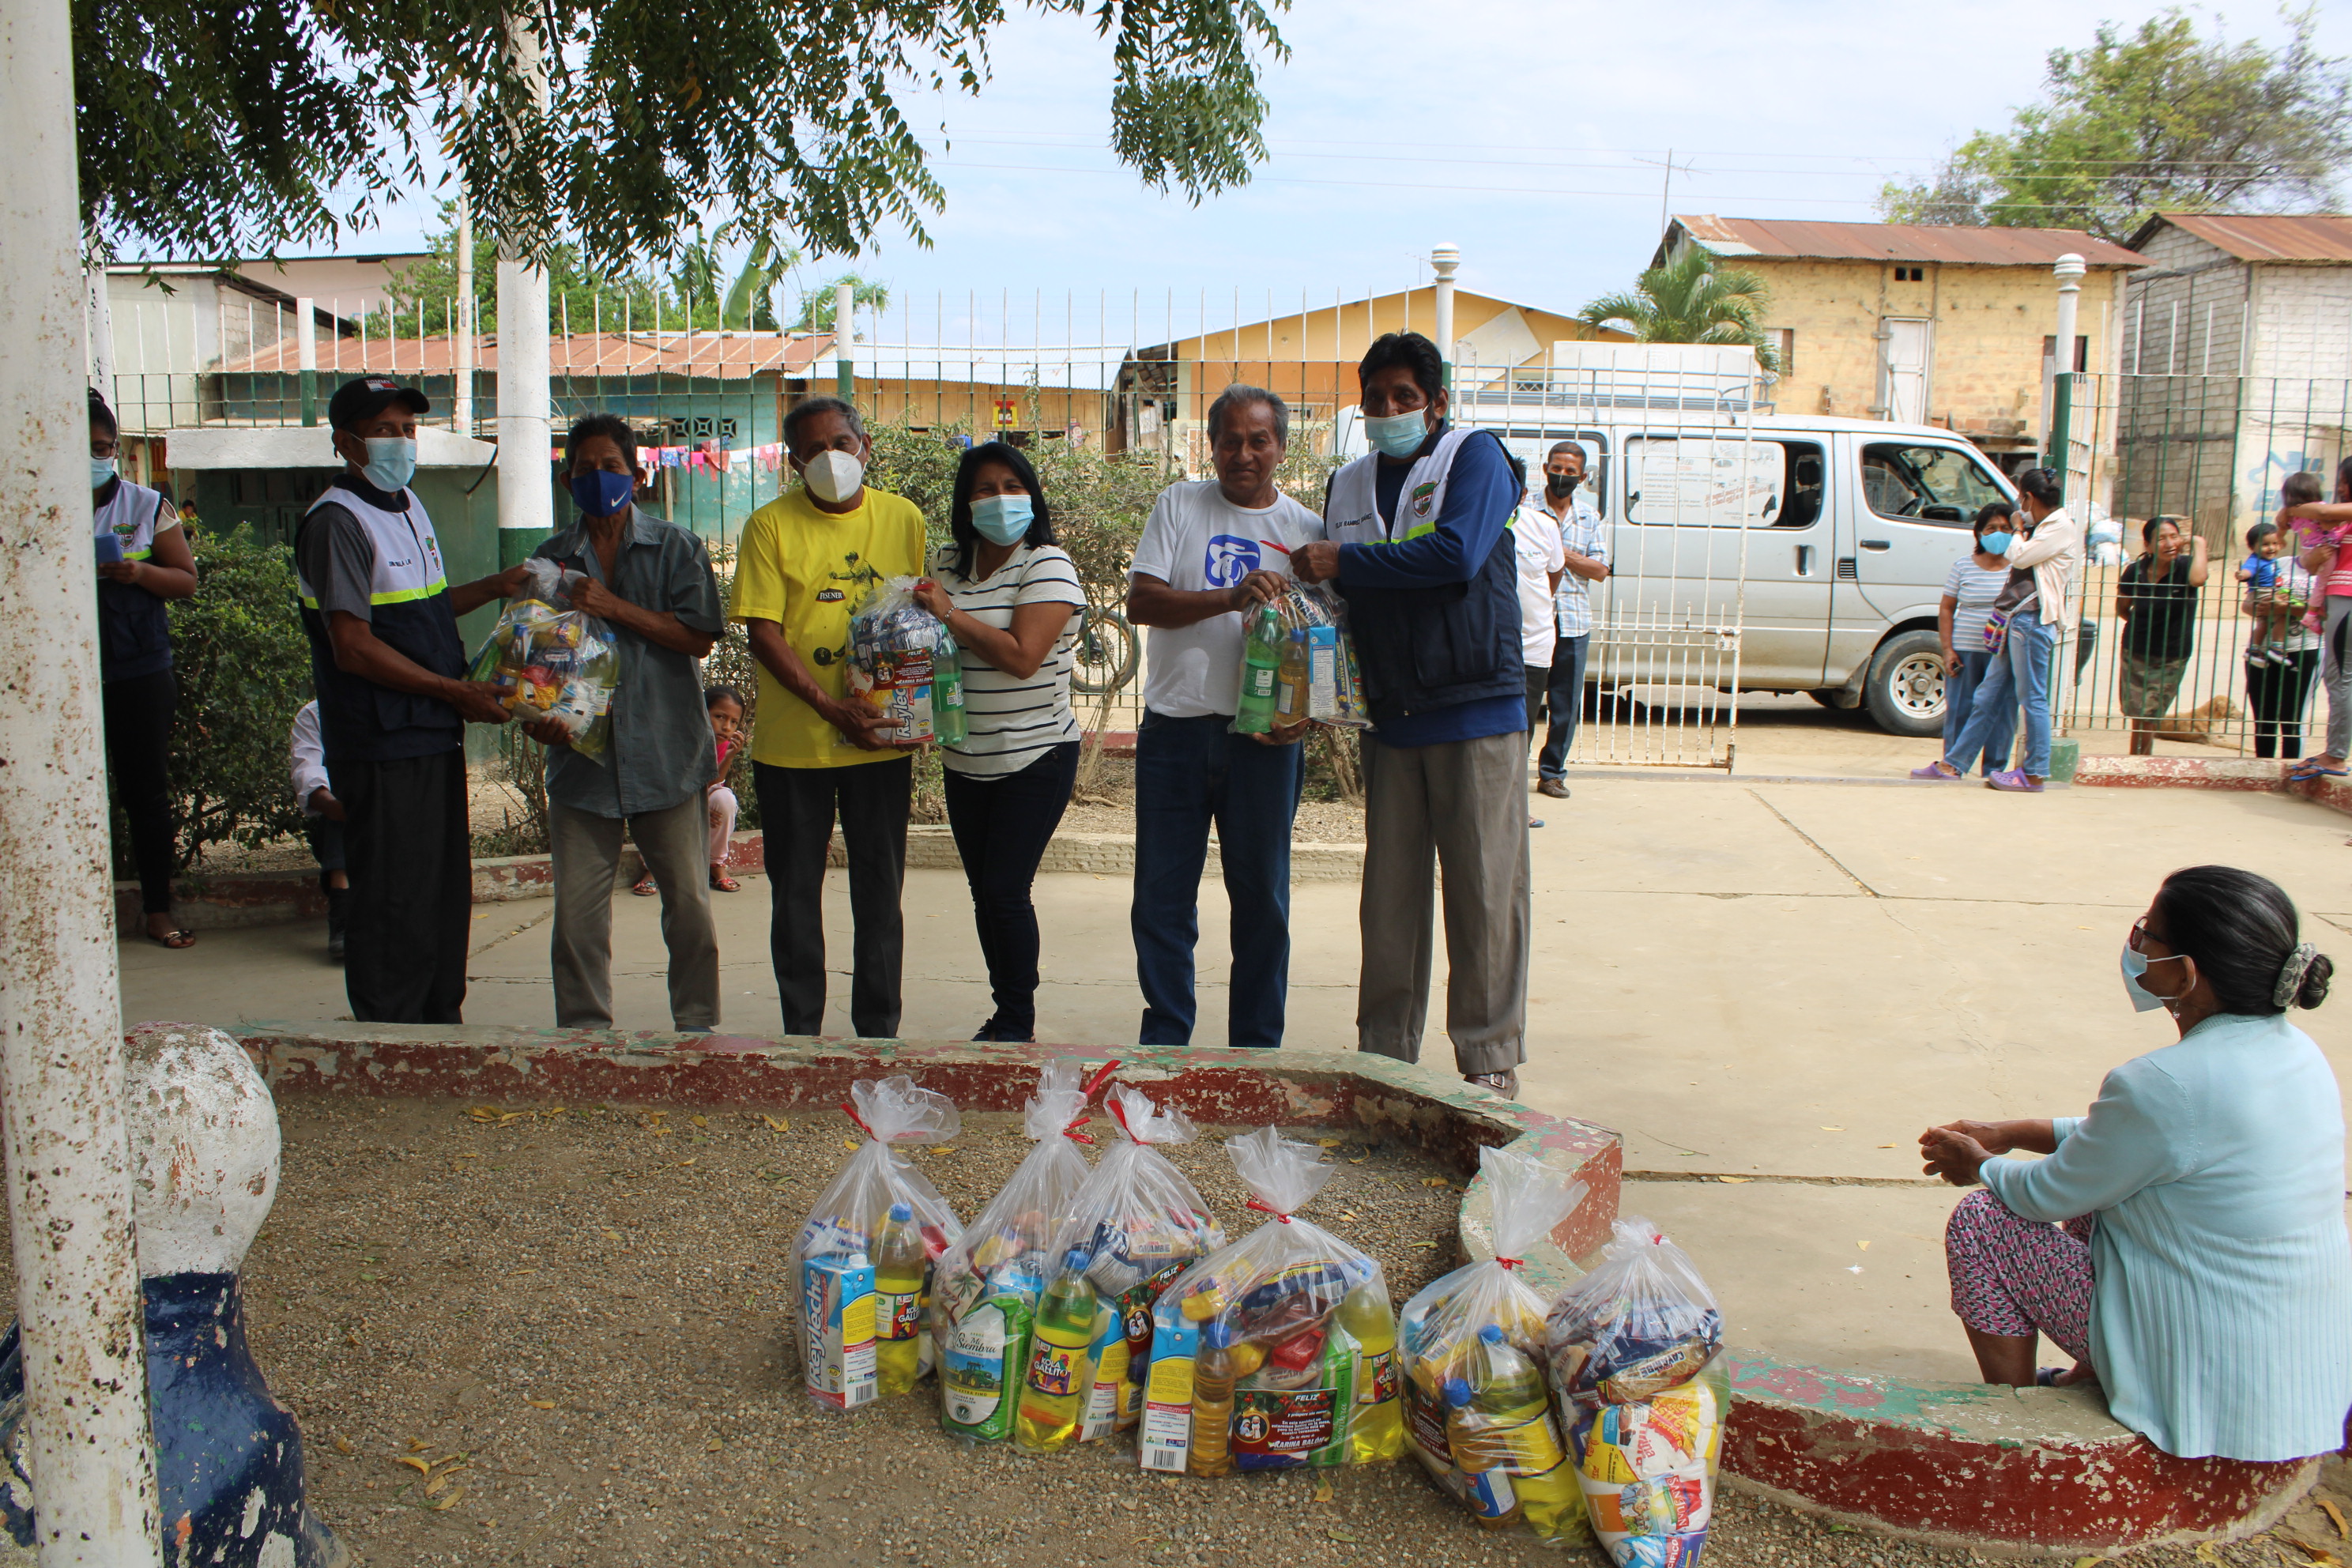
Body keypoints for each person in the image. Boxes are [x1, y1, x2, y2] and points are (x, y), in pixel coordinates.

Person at [1919, 865, 2350, 1461]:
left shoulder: (2163, 1084)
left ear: (2187, 973)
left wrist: (1980, 1163)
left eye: (2148, 932)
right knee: (2108, 1196)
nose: (2137, 944)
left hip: (2207, 1377)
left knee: (1984, 1224)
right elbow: (2131, 1144)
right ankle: (2088, 1376)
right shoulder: (2298, 1054)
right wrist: (2013, 1132)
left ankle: (2016, 1428)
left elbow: (2046, 1194)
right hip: (2291, 1372)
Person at [1293, 332, 1529, 1095]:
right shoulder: (1348, 484)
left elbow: (1456, 554)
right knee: (1390, 902)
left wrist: (1347, 563)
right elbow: (1335, 594)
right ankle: (1384, 1057)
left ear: (1436, 402)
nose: (1389, 409)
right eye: (1376, 398)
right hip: (1390, 718)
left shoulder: (1473, 458)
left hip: (1474, 709)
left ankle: (1488, 1061)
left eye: (1405, 396)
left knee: (1483, 893)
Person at [295, 375, 524, 1024]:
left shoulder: (407, 505)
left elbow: (422, 611)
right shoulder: (338, 522)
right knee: (393, 894)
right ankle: (390, 1031)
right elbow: (353, 646)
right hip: (382, 739)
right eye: (383, 430)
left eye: (407, 429)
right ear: (346, 443)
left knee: (439, 889)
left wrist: (496, 586)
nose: (400, 442)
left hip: (430, 729)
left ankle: (438, 1020)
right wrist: (454, 690)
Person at [1126, 385, 1324, 1050]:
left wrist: (1307, 716)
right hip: (1175, 734)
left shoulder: (1305, 530)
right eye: (1230, 440)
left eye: (1258, 440)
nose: (1244, 454)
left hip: (1265, 744)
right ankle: (1165, 1042)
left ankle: (1256, 1052)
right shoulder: (1179, 505)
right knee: (1161, 900)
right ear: (1209, 446)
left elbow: (1321, 640)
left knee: (1263, 902)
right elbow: (1142, 602)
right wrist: (1228, 597)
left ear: (1281, 447)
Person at [732, 396, 926, 1038]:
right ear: (794, 463)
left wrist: (915, 716)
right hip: (794, 748)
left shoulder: (904, 518)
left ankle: (878, 1034)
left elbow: (914, 622)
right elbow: (763, 632)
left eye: (841, 443)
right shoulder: (769, 527)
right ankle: (802, 1035)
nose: (830, 457)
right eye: (813, 449)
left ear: (865, 447)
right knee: (794, 896)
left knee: (881, 893)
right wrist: (830, 710)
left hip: (879, 740)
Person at [530, 413, 726, 1033]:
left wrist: (614, 607)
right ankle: (585, 1036)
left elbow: (698, 637)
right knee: (577, 920)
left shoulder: (676, 547)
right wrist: (537, 718)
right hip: (581, 765)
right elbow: (535, 660)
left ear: (637, 476)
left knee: (689, 908)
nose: (598, 478)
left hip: (667, 757)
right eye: (585, 469)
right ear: (568, 481)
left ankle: (697, 1030)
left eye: (611, 467)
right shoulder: (550, 560)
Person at [912, 441, 1087, 1043]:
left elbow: (1022, 657)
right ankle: (1005, 1009)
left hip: (1035, 756)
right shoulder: (947, 563)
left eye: (1013, 487)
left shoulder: (1048, 565)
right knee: (983, 895)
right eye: (985, 489)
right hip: (965, 757)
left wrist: (948, 613)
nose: (1001, 499)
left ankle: (1016, 1019)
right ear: (966, 502)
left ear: (1032, 496)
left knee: (1005, 891)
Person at [90, 389, 200, 948]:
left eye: (104, 447)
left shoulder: (144, 504)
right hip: (67, 677)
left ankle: (157, 908)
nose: (96, 457)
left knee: (146, 795)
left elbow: (185, 580)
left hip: (137, 668)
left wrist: (138, 574)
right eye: (85, 447)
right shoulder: (29, 497)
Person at [1909, 467, 2081, 793]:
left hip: (2033, 622)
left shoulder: (2060, 527)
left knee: (2033, 699)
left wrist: (2017, 528)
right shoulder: (2044, 526)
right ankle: (1953, 764)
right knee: (1987, 696)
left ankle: (2035, 773)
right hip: (2016, 622)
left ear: (2028, 498)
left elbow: (2019, 557)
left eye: (2021, 499)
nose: (2019, 507)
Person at [1532, 441, 1608, 799]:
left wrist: (1560, 553)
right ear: (1545, 469)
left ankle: (1552, 774)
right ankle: (1511, 771)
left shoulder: (1589, 517)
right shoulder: (1524, 509)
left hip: (1574, 623)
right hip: (1532, 621)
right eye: (1557, 469)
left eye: (1570, 472)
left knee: (1565, 705)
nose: (1562, 476)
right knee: (1525, 700)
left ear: (1582, 476)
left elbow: (1600, 569)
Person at [2279, 463, 2352, 782]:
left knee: (2341, 679)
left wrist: (2291, 509)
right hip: (2339, 600)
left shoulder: (2339, 512)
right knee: (2338, 678)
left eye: (2343, 482)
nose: (2339, 488)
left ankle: (2336, 755)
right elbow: (2311, 559)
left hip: (2347, 598)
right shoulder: (2341, 518)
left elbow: (2320, 513)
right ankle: (2334, 752)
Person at [2114, 517, 2209, 756]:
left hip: (2171, 655)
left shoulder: (2186, 567)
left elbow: (2198, 580)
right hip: (2136, 651)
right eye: (2161, 539)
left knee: (2150, 713)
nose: (2170, 543)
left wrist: (2198, 543)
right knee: (2138, 713)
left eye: (2174, 537)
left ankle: (2140, 760)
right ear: (2148, 545)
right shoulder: (2135, 571)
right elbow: (2122, 608)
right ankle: (2139, 759)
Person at [1935, 504, 2018, 778]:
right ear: (1979, 533)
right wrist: (1948, 650)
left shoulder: (2019, 568)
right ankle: (1953, 765)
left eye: (2005, 528)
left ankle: (1994, 770)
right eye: (1991, 528)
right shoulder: (1963, 566)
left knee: (2002, 711)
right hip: (1965, 651)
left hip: (2002, 654)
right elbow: (1947, 608)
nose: (1998, 533)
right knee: (1960, 708)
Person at [2241, 526, 2322, 762]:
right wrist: (2263, 607)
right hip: (2263, 651)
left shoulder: (2330, 574)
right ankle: (2263, 770)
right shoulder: (2280, 564)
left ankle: (2290, 771)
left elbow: (2325, 613)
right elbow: (2248, 605)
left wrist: (2287, 608)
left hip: (2302, 650)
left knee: (2292, 719)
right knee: (2263, 718)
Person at [1510, 481, 1565, 827]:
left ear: (1522, 494)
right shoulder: (1472, 521)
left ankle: (1516, 807)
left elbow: (1553, 575)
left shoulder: (1543, 526)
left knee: (1522, 728)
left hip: (1533, 645)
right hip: (1488, 645)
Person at [288, 699, 350, 962]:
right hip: (344, 824)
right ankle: (343, 920)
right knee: (342, 809)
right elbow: (307, 771)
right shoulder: (315, 714)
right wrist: (339, 808)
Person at [703, 685, 746, 892]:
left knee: (724, 800)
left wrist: (729, 755)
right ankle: (653, 868)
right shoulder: (682, 739)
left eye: (734, 722)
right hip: (677, 796)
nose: (726, 727)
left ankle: (716, 864)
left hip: (702, 792)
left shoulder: (721, 744)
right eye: (719, 717)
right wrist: (696, 808)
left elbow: (714, 781)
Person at [2237, 522, 2294, 669]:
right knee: (2283, 614)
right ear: (2252, 547)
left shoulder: (2271, 560)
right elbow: (2248, 570)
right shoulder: (2256, 560)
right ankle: (2276, 647)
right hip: (2263, 593)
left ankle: (2254, 649)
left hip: (2267, 592)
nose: (2271, 548)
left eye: (2275, 544)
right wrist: (2242, 575)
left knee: (2264, 621)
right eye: (2265, 545)